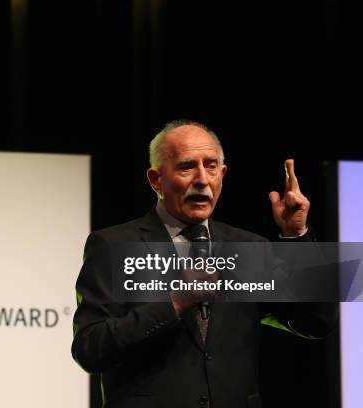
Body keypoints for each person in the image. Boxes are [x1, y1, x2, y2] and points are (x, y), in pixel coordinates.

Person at [71, 120, 336, 408]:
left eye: (211, 166)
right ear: (156, 179)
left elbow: (316, 321)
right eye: (187, 167)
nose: (202, 179)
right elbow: (89, 349)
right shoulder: (113, 246)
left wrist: (296, 236)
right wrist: (172, 304)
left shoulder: (249, 248)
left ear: (222, 175)